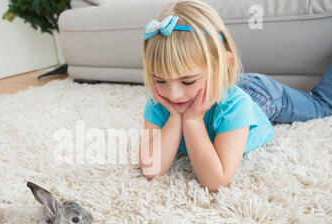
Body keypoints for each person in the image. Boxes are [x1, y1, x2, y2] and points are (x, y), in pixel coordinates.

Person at [138, 0, 332, 192]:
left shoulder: (236, 105)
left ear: (225, 65)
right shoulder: (159, 101)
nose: (174, 95)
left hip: (262, 96)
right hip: (225, 82)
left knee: (321, 106)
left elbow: (215, 181)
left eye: (188, 81)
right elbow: (151, 168)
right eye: (161, 80)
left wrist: (193, 120)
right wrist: (174, 117)